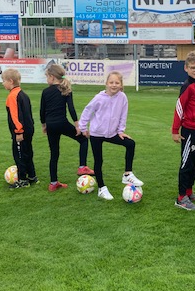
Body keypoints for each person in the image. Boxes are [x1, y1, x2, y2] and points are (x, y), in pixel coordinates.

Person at [78, 71, 143, 201]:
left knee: (130, 143)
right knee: (98, 161)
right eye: (111, 82)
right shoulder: (99, 98)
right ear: (106, 83)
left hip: (112, 133)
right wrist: (83, 127)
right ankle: (102, 188)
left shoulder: (123, 97)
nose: (114, 85)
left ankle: (127, 174)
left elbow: (123, 115)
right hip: (97, 133)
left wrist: (120, 131)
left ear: (121, 85)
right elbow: (87, 111)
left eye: (117, 83)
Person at [40, 64, 94, 192]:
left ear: (52, 77)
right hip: (62, 123)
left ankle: (53, 183)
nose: (47, 79)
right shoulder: (66, 90)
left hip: (51, 125)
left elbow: (42, 111)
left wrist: (44, 125)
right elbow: (71, 108)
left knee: (54, 154)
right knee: (83, 140)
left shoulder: (45, 91)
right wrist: (77, 126)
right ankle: (82, 167)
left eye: (47, 77)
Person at [171, 51, 195, 210]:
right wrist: (175, 130)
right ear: (186, 68)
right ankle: (181, 198)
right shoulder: (187, 86)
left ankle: (189, 192)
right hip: (189, 132)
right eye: (193, 67)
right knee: (186, 163)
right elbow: (179, 108)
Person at [2, 68, 37, 188]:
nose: (2, 83)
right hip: (29, 128)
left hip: (20, 132)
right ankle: (32, 176)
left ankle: (22, 180)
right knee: (28, 152)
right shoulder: (23, 94)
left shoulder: (12, 96)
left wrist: (18, 131)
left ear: (10, 81)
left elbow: (15, 116)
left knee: (19, 154)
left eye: (3, 81)